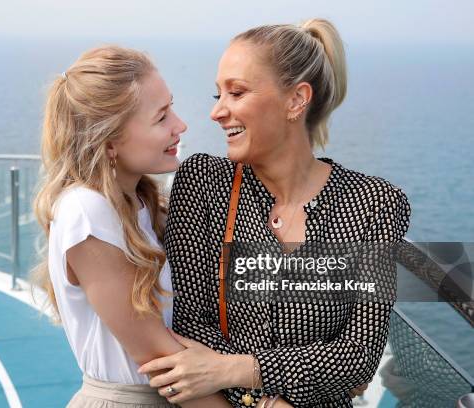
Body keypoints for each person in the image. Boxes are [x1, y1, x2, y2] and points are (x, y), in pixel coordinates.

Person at [138, 18, 411, 407]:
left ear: (296, 100)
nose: (217, 112)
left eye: (236, 93)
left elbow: (358, 357)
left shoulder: (375, 203)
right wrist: (265, 399)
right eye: (217, 95)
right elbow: (188, 324)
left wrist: (236, 371)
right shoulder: (203, 183)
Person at [30, 45, 231, 407]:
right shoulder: (87, 211)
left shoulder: (138, 202)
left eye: (172, 107)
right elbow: (163, 361)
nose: (180, 126)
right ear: (109, 142)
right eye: (161, 117)